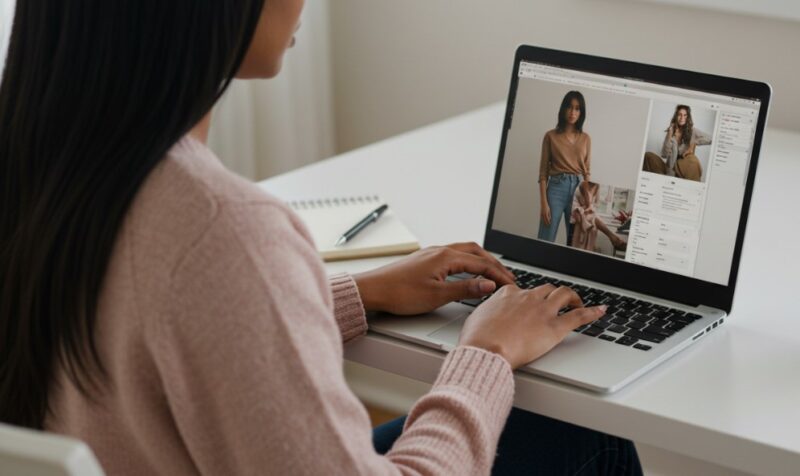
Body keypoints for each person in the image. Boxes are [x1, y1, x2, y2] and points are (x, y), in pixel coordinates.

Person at [0, 1, 643, 474]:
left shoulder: (48, 168)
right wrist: (488, 353)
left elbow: (164, 330)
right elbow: (212, 283)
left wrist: (347, 294)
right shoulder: (221, 230)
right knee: (585, 437)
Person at [538, 91, 592, 246]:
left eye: (577, 108)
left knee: (575, 242)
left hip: (578, 189)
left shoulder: (586, 138)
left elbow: (587, 172)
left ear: (581, 112)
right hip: (556, 188)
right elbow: (543, 173)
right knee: (545, 240)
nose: (573, 112)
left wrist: (587, 202)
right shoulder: (550, 136)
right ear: (563, 109)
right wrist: (543, 203)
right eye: (569, 107)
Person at [642, 104, 711, 181]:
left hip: (683, 167)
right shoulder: (671, 133)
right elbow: (664, 154)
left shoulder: (693, 131)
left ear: (688, 117)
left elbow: (710, 139)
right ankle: (661, 181)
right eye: (679, 115)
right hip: (670, 169)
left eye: (685, 115)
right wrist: (670, 134)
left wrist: (694, 143)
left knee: (693, 161)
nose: (682, 118)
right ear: (676, 116)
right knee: (648, 156)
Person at [570, 182, 627, 253]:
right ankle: (613, 237)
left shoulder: (597, 186)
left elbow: (596, 204)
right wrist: (589, 207)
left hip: (586, 212)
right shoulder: (584, 184)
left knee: (593, 219)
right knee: (592, 217)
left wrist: (590, 207)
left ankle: (612, 237)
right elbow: (588, 204)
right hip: (576, 212)